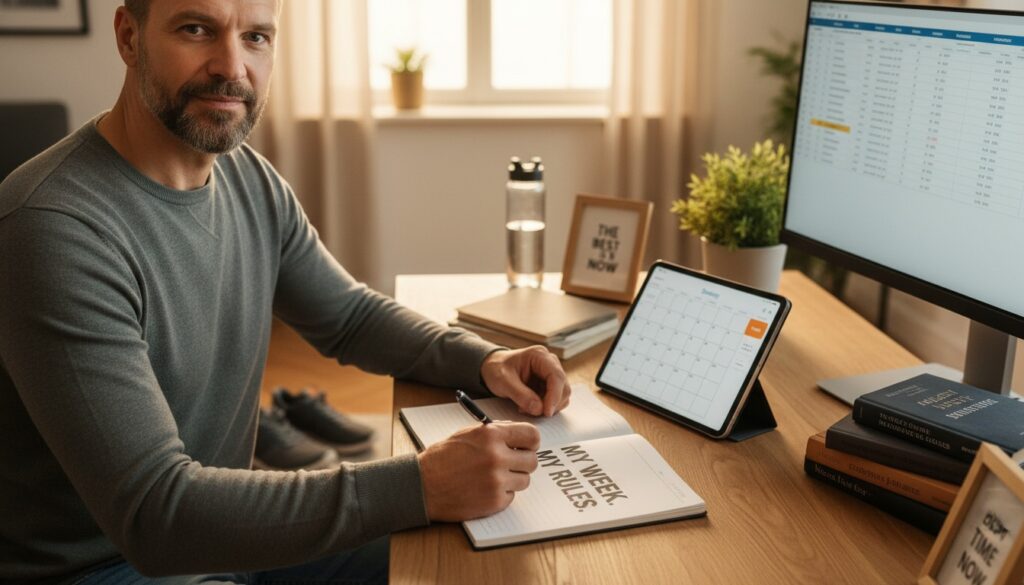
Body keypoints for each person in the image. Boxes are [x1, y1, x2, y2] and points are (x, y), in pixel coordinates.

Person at [0, 1, 572, 583]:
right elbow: (156, 513)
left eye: (256, 37)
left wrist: (484, 360)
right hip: (108, 565)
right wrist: (419, 484)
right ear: (129, 37)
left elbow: (349, 317)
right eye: (196, 29)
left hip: (223, 529)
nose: (232, 67)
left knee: (479, 555)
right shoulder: (51, 228)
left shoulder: (247, 178)